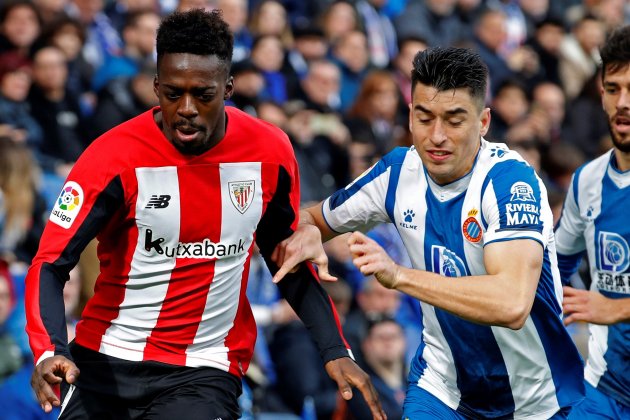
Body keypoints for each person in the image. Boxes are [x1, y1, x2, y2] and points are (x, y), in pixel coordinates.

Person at [24, 9, 384, 420]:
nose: (187, 108)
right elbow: (50, 263)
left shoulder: (269, 153)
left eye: (203, 94)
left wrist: (335, 349)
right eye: (173, 93)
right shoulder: (111, 157)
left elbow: (288, 260)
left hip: (204, 367)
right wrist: (49, 350)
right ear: (156, 87)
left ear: (228, 87)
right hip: (103, 361)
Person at [273, 46, 585, 418]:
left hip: (536, 400)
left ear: (483, 122)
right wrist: (309, 231)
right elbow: (314, 218)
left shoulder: (509, 183)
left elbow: (512, 303)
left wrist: (399, 276)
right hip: (443, 388)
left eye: (454, 120)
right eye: (425, 118)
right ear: (409, 115)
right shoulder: (395, 173)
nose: (436, 136)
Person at [555, 25, 630, 419]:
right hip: (603, 388)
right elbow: (555, 267)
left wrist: (617, 308)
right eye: (613, 88)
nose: (624, 102)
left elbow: (608, 306)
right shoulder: (587, 180)